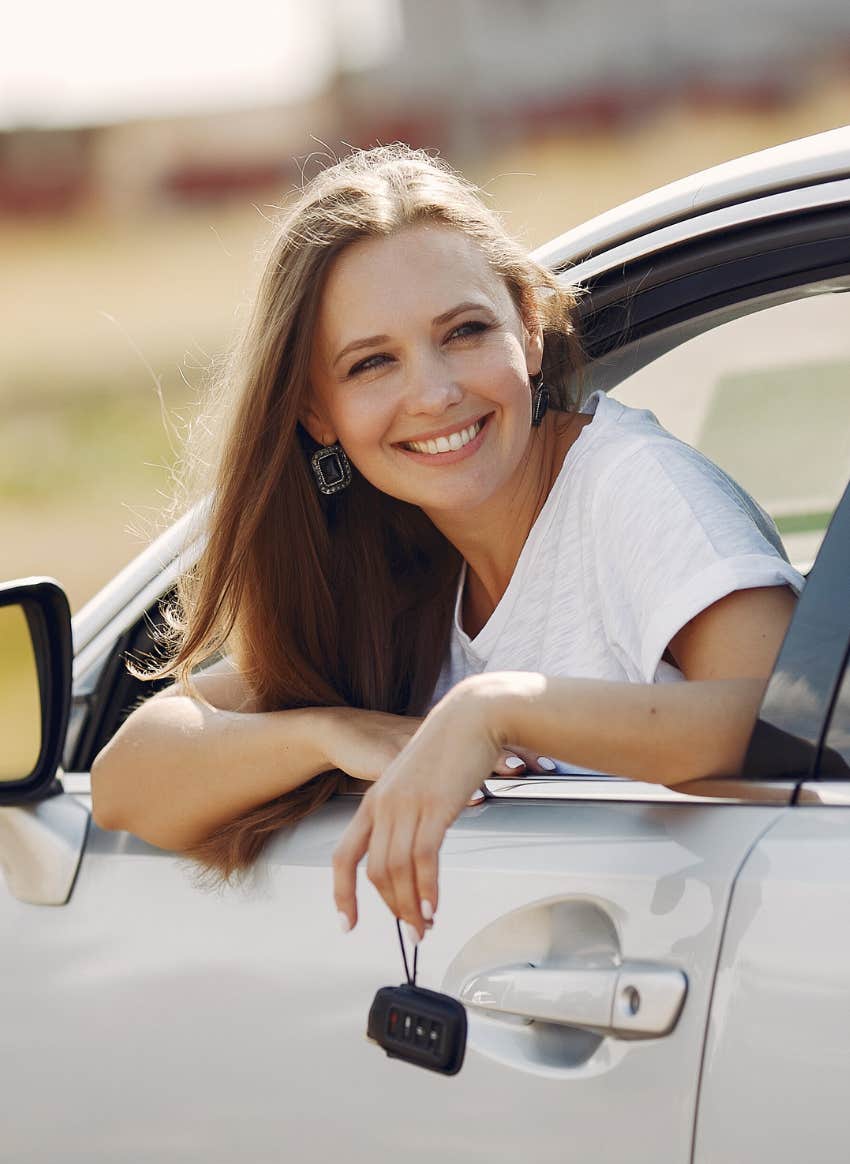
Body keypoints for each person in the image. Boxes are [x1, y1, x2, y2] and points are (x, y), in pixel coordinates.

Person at [90, 142, 803, 950]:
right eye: (371, 364)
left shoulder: (631, 487)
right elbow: (124, 783)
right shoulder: (398, 567)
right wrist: (333, 732)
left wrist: (494, 711)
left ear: (528, 333)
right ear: (317, 413)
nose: (432, 392)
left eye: (464, 332)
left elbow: (801, 730)